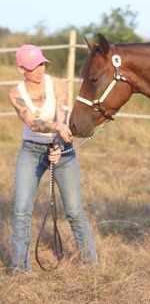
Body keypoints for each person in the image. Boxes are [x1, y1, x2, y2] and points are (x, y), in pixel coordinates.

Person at [7, 44, 97, 274]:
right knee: (21, 209)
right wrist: (56, 127)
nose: (39, 69)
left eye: (41, 63)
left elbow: (62, 115)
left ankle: (91, 262)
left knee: (75, 210)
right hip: (31, 150)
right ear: (21, 69)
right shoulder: (16, 94)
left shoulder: (58, 84)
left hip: (62, 150)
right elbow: (31, 122)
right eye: (33, 66)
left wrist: (57, 142)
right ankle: (19, 266)